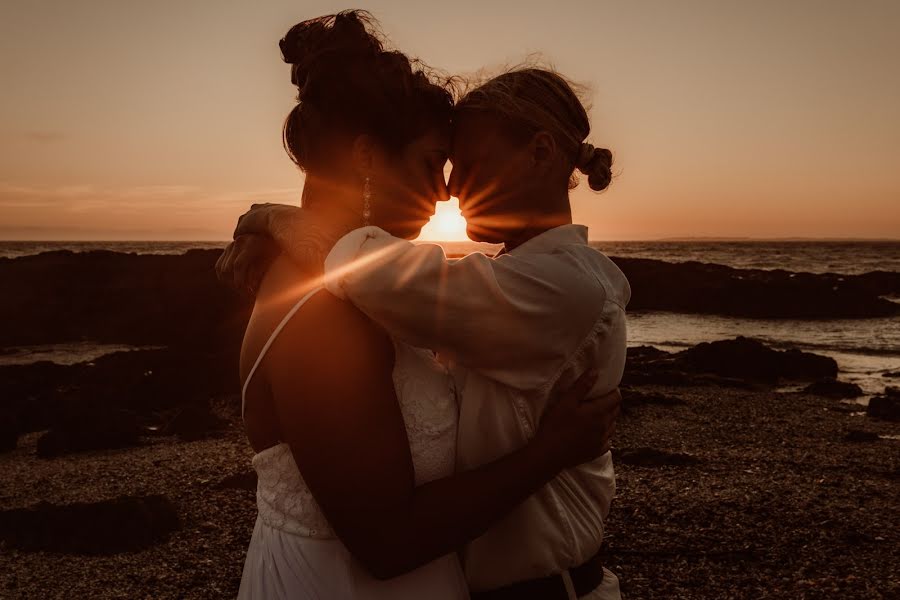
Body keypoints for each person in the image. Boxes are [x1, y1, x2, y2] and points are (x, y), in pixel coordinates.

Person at [219, 11, 621, 600]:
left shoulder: (538, 287)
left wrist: (277, 219)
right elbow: (387, 538)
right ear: (365, 158)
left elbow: (422, 287)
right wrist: (550, 453)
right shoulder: (329, 307)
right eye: (435, 165)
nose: (447, 192)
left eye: (457, 166)